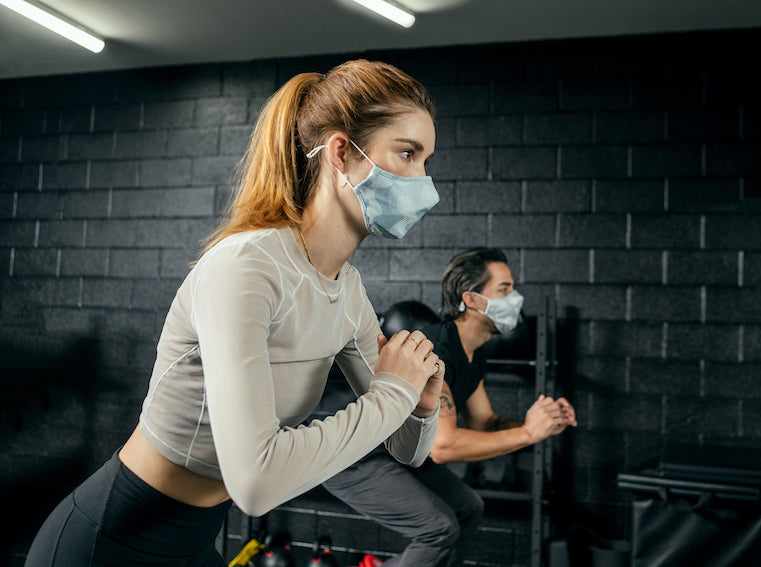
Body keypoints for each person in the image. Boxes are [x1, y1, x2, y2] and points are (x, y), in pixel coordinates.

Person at [25, 59, 446, 566]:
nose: (426, 184)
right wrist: (393, 391)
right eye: (408, 153)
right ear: (341, 152)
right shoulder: (247, 266)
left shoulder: (347, 289)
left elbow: (406, 449)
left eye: (426, 160)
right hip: (109, 541)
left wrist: (419, 406)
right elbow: (255, 483)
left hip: (197, 540)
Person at [323, 247, 577, 567]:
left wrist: (543, 422)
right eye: (504, 289)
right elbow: (443, 447)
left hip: (398, 449)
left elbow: (485, 421)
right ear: (471, 300)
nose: (516, 298)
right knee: (438, 528)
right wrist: (528, 433)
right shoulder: (437, 350)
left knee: (469, 508)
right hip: (353, 456)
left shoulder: (474, 351)